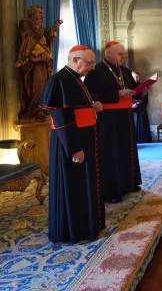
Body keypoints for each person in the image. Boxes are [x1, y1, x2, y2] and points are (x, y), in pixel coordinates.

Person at [39, 45, 105, 243]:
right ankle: (75, 231)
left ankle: (89, 226)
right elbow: (61, 120)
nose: (92, 68)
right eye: (90, 63)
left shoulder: (76, 79)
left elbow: (79, 111)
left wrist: (95, 108)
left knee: (85, 185)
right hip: (71, 145)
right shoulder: (59, 80)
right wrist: (74, 148)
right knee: (74, 187)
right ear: (76, 60)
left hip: (83, 141)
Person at [84, 41, 142, 203]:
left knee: (127, 149)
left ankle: (129, 183)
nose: (123, 57)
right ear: (108, 53)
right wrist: (117, 95)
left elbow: (131, 89)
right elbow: (91, 96)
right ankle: (112, 191)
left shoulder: (124, 70)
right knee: (112, 153)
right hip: (108, 119)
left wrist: (140, 89)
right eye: (120, 54)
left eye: (124, 54)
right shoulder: (96, 71)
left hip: (125, 117)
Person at [16, 4, 62, 122]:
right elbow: (29, 39)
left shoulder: (39, 27)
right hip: (33, 63)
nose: (42, 15)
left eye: (42, 13)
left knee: (45, 85)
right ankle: (33, 110)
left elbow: (46, 39)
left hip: (43, 63)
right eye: (39, 13)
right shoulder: (25, 23)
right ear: (32, 13)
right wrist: (39, 56)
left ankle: (42, 108)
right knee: (37, 86)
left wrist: (54, 28)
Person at [132, 71, 151, 143]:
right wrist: (132, 107)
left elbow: (144, 99)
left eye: (137, 77)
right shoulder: (129, 87)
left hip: (141, 110)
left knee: (142, 127)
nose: (135, 78)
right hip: (132, 110)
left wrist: (144, 94)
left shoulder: (142, 86)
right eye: (133, 77)